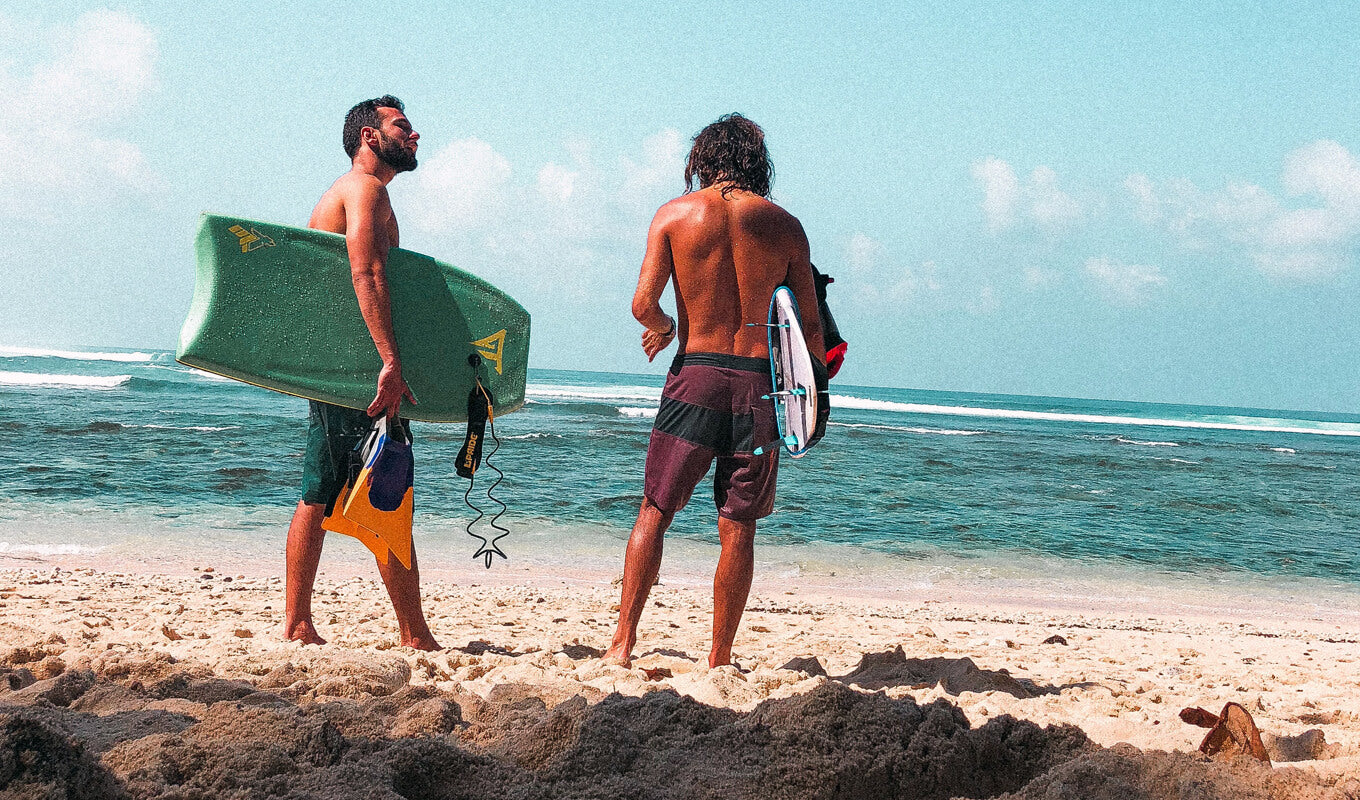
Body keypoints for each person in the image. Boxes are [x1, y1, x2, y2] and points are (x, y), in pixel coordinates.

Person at [603, 114, 825, 668]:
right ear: (756, 161)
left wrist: (667, 327)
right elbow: (812, 329)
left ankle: (622, 644)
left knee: (654, 509)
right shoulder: (785, 226)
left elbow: (641, 304)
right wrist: (811, 396)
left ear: (701, 157)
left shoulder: (675, 215)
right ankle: (719, 657)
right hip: (759, 386)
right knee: (738, 524)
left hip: (694, 375)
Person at [283, 95, 439, 651]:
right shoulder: (364, 190)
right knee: (381, 486)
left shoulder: (359, 193)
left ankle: (302, 622)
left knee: (329, 488)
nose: (415, 136)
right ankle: (410, 631)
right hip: (356, 370)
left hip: (342, 366)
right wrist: (392, 363)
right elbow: (366, 273)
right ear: (371, 137)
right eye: (404, 127)